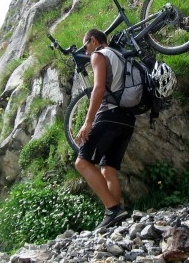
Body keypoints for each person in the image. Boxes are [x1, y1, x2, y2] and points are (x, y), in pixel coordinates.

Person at [74, 28, 134, 229]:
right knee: (107, 169)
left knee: (82, 163)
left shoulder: (99, 55)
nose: (86, 52)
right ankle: (116, 218)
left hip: (109, 114)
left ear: (92, 40)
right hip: (127, 118)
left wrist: (88, 121)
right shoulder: (119, 54)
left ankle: (112, 209)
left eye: (86, 46)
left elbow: (98, 88)